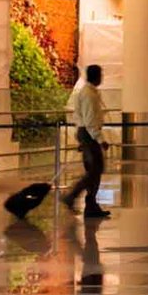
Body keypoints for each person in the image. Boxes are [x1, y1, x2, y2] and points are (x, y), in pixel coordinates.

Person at [63, 64, 110, 219]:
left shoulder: (89, 92)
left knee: (94, 170)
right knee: (95, 170)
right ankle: (72, 195)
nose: (102, 77)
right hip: (90, 134)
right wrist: (100, 139)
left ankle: (90, 205)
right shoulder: (89, 94)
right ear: (96, 76)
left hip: (86, 134)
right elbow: (90, 121)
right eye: (100, 74)